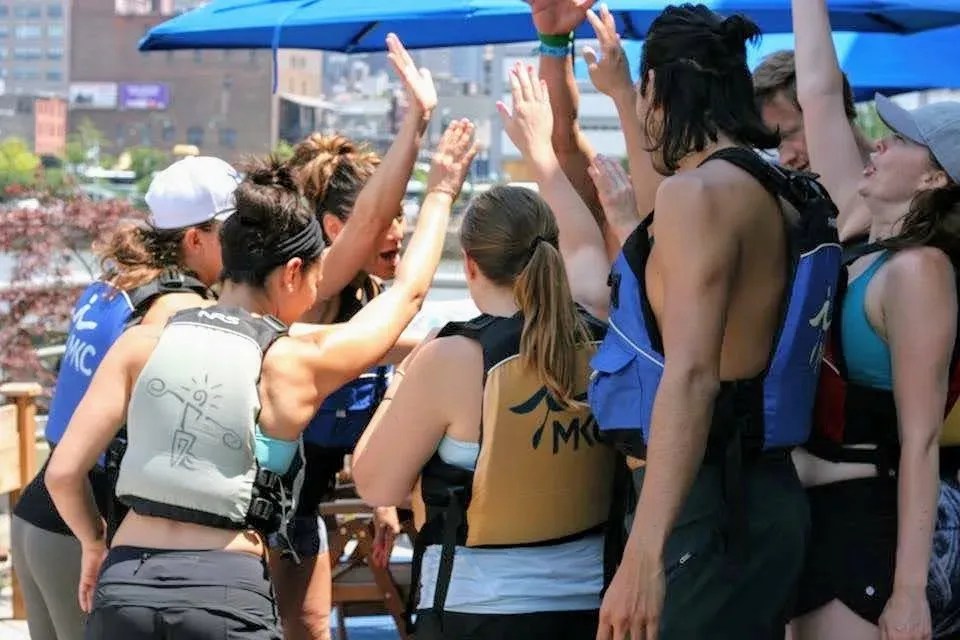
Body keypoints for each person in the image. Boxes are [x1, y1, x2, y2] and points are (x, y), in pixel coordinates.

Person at [44, 121, 475, 640]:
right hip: (223, 592)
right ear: (292, 272)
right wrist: (443, 190)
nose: (319, 288)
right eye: (316, 275)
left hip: (126, 588)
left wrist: (94, 543)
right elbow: (406, 296)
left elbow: (62, 474)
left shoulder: (143, 341)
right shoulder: (292, 362)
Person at [587, 5, 841, 639]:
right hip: (766, 494)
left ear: (662, 92)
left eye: (645, 96)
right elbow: (662, 238)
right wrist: (620, 93)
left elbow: (694, 374)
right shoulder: (777, 190)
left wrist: (645, 553)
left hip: (705, 504)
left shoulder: (698, 197)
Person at [353, 63, 615, 640]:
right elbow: (588, 247)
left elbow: (375, 486)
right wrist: (540, 151)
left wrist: (402, 382)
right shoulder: (598, 325)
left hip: (478, 611)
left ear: (469, 264)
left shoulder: (454, 358)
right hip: (592, 607)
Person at [9, 155, 234, 640]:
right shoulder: (175, 306)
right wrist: (94, 538)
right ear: (196, 238)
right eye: (234, 232)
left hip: (37, 516)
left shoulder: (114, 283)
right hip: (81, 519)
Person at [790, 1, 960, 639]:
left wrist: (910, 591)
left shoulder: (920, 273)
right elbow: (819, 93)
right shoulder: (861, 232)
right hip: (813, 512)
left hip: (868, 521)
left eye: (901, 138)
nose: (878, 138)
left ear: (935, 177)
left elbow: (920, 441)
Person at [269, 32, 442, 640]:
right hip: (259, 499)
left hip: (309, 499)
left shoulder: (369, 301)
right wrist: (417, 127)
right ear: (338, 228)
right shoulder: (313, 293)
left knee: (314, 624)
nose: (398, 229)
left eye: (405, 215)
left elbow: (382, 389)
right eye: (390, 218)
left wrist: (383, 498)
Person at [753, 49, 874, 176]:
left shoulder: (895, 181)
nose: (784, 159)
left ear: (834, 109)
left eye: (790, 135)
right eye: (777, 147)